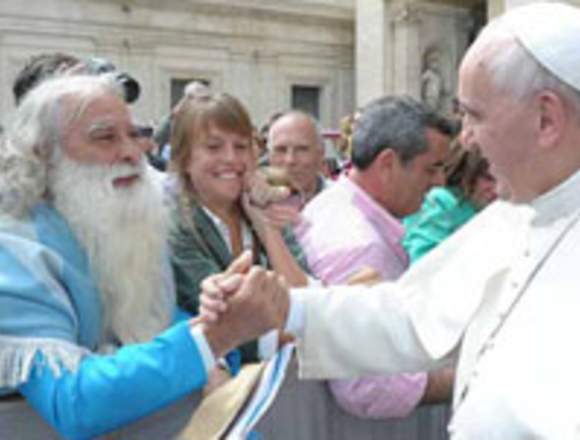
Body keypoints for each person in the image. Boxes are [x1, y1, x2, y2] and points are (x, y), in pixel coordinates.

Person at [199, 3, 580, 438]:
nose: (467, 140)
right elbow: (409, 312)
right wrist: (286, 307)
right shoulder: (513, 215)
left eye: (475, 116)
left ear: (546, 119)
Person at [0, 74, 263, 439]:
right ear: (44, 153)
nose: (132, 152)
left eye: (134, 134)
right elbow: (73, 402)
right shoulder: (14, 246)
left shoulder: (118, 216)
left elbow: (153, 320)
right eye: (106, 137)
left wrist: (214, 313)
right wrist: (210, 337)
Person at [295, 96, 453, 429]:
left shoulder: (335, 208)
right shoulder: (358, 244)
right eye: (431, 168)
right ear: (387, 163)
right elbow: (368, 388)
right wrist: (468, 371)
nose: (439, 182)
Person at [167, 92, 309, 363]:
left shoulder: (262, 208)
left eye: (241, 146)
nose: (231, 158)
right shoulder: (176, 226)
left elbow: (304, 294)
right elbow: (228, 323)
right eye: (213, 147)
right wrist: (295, 334)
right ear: (185, 159)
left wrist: (267, 229)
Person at [403, 142, 497, 263]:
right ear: (467, 173)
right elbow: (423, 263)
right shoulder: (440, 202)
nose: (496, 188)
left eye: (502, 178)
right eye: (488, 178)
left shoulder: (501, 210)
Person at [267, 111, 328, 204]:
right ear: (269, 156)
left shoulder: (344, 204)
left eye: (301, 150)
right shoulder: (251, 205)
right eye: (281, 150)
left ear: (321, 154)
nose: (290, 160)